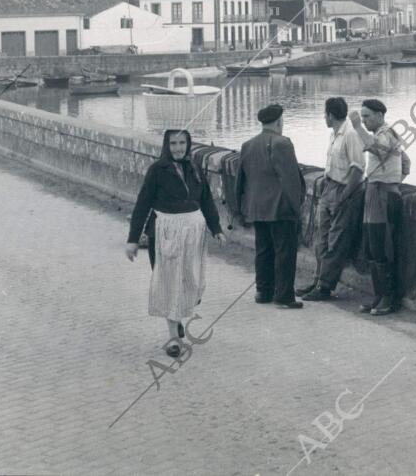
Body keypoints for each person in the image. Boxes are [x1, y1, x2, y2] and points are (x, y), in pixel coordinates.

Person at [125, 129, 226, 358]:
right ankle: (172, 338)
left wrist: (217, 229)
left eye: (182, 143)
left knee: (191, 281)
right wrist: (133, 240)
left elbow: (207, 200)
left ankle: (178, 316)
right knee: (170, 283)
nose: (178, 148)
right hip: (166, 233)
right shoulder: (157, 171)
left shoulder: (195, 169)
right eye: (173, 143)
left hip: (194, 232)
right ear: (166, 145)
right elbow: (142, 205)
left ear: (188, 144)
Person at [235, 103, 306, 309]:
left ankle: (263, 291)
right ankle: (284, 296)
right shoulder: (282, 143)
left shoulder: (248, 145)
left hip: (257, 208)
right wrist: (296, 208)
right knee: (285, 252)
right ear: (279, 121)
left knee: (263, 250)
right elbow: (290, 181)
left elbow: (240, 180)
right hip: (280, 208)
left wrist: (241, 207)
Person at [299, 97, 365, 302]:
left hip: (343, 190)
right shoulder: (334, 134)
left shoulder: (351, 135)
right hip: (329, 187)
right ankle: (318, 280)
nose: (324, 117)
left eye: (325, 114)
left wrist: (344, 197)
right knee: (322, 238)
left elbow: (358, 168)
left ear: (330, 115)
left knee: (335, 241)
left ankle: (325, 286)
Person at [349, 99, 405, 316]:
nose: (364, 120)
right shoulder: (385, 134)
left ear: (380, 115)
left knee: (382, 247)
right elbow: (406, 162)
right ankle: (380, 296)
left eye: (367, 116)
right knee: (373, 248)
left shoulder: (387, 133)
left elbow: (377, 149)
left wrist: (356, 127)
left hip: (382, 195)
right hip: (375, 192)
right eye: (362, 116)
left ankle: (388, 299)